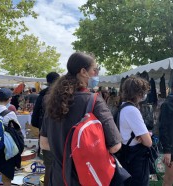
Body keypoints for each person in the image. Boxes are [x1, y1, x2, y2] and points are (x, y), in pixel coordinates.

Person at [40, 52, 122, 185]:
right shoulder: (94, 100)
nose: (96, 74)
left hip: (58, 178)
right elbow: (115, 146)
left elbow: (44, 143)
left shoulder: (53, 101)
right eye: (95, 70)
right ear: (84, 71)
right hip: (85, 178)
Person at [118, 76, 152, 186]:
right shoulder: (132, 110)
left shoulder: (122, 107)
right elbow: (148, 142)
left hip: (126, 154)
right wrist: (145, 136)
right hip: (135, 159)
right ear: (139, 93)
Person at [31, 72, 59, 186]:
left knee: (48, 166)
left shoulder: (41, 95)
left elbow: (34, 119)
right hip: (61, 135)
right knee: (62, 166)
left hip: (45, 135)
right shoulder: (63, 95)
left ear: (47, 82)